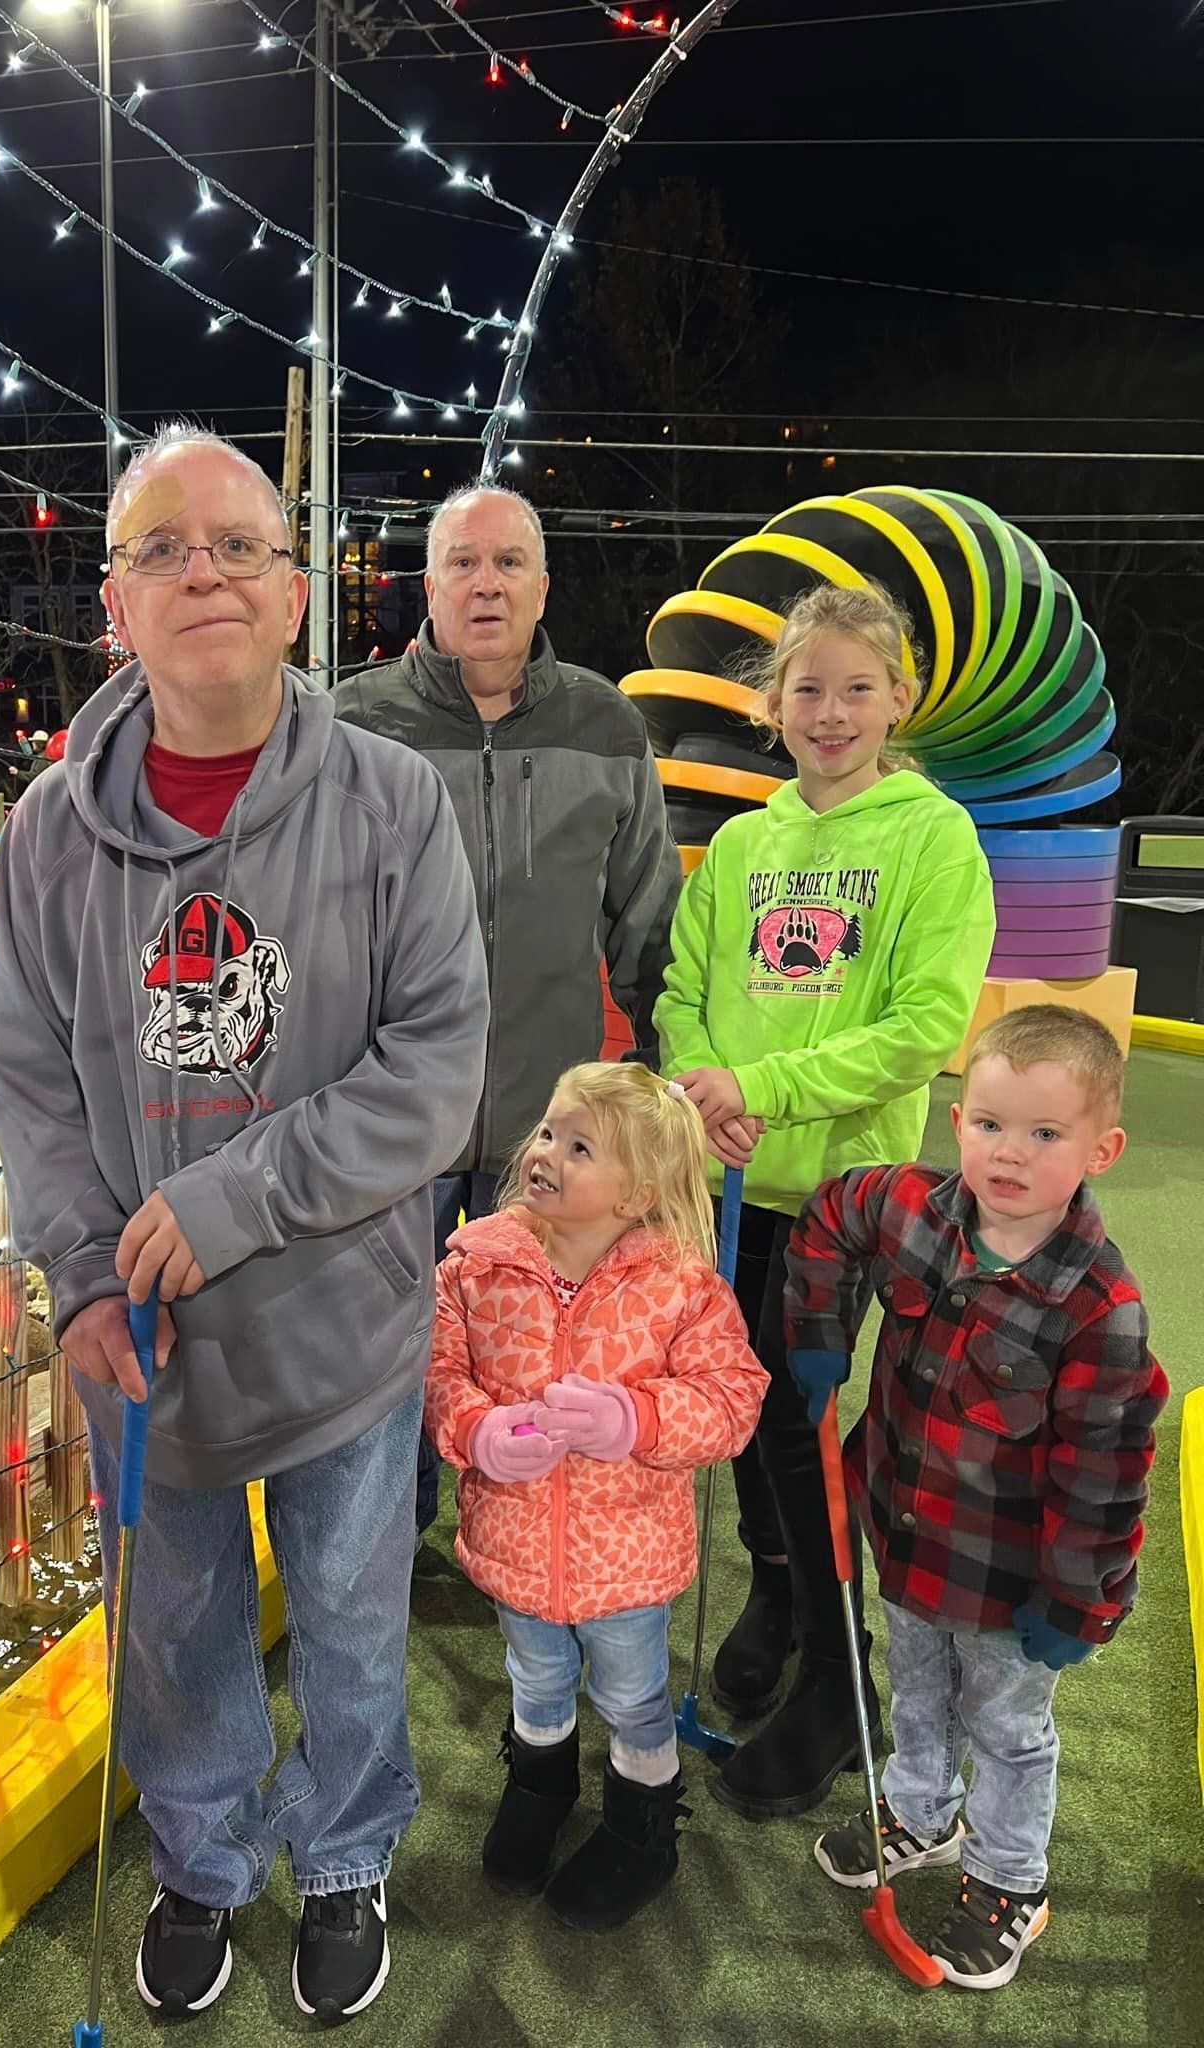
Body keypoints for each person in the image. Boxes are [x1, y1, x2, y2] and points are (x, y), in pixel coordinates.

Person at [0, 424, 487, 2026]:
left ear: (294, 597)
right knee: (181, 1630)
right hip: (149, 1348)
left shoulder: (396, 802)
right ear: (115, 606)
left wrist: (235, 1193)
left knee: (348, 1617)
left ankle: (342, 1859)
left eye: (240, 548)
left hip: (343, 1323)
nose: (203, 570)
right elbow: (34, 1082)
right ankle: (201, 1860)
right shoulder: (46, 835)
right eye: (161, 550)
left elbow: (437, 1071)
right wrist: (80, 1278)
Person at [654, 581, 996, 1821]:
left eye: (860, 687)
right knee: (742, 1418)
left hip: (846, 1204)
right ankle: (783, 1598)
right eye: (808, 687)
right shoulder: (746, 845)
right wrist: (705, 1091)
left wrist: (767, 1083)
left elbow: (922, 1028)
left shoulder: (931, 836)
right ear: (772, 706)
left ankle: (841, 1683)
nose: (833, 710)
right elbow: (685, 985)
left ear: (900, 696)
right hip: (728, 1185)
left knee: (807, 1427)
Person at [789, 1006, 1167, 1989]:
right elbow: (831, 1214)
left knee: (1006, 1726)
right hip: (906, 1535)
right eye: (992, 1122)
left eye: (1045, 1133)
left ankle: (1011, 1878)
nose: (1010, 1152)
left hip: (1014, 1586)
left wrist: (1080, 1601)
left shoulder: (1100, 1310)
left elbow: (1106, 1474)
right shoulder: (912, 1204)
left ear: (1103, 1147)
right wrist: (818, 1323)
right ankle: (920, 1814)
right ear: (957, 1120)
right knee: (918, 1688)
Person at [336, 484, 684, 1550]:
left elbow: (648, 916)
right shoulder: (348, 722)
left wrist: (669, 1077)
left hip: (548, 1125)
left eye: (509, 563)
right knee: (383, 1348)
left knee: (530, 1347)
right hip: (390, 1111)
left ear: (543, 586)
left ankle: (519, 1551)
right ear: (427, 585)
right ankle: (383, 1544)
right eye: (461, 562)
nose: (485, 583)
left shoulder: (605, 723)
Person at [424, 1062, 767, 1930]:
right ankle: (539, 1786)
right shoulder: (476, 1263)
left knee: (632, 1694)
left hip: (627, 1561)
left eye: (581, 1148)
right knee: (535, 1677)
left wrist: (636, 1420)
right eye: (548, 1133)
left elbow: (732, 1399)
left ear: (637, 1192)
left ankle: (641, 1825)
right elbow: (435, 1372)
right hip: (513, 1542)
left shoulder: (683, 1285)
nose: (548, 1154)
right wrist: (475, 1432)